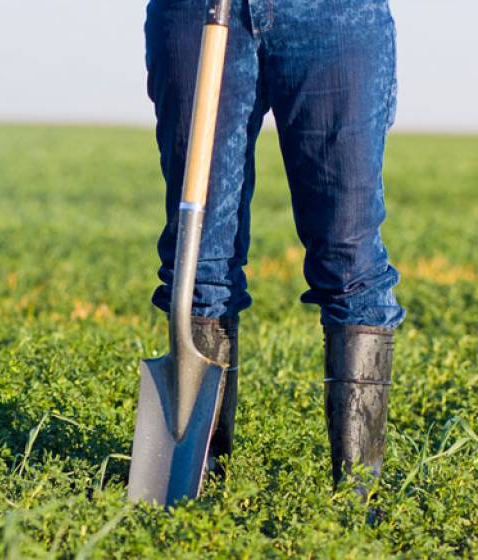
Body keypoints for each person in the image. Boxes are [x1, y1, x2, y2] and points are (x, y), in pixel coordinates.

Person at [144, 0, 404, 492]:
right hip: (196, 12)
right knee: (198, 264)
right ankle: (198, 487)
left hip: (335, 16)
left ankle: (357, 499)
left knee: (351, 262)